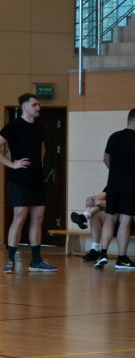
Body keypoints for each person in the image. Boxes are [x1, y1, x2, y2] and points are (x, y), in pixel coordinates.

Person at [0, 93, 57, 273]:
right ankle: (10, 261)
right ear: (24, 107)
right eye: (34, 105)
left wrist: (40, 162)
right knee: (19, 217)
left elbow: (42, 146)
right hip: (19, 180)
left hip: (37, 179)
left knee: (38, 218)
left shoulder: (39, 126)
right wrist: (11, 164)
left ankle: (36, 261)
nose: (38, 108)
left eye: (38, 104)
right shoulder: (13, 126)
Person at [94, 108, 135, 271]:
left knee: (110, 218)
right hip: (131, 185)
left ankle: (102, 253)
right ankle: (122, 259)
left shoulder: (114, 136)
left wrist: (116, 172)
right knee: (125, 221)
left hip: (113, 184)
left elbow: (106, 158)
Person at [70, 190, 107, 261]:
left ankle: (84, 216)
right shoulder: (112, 185)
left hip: (122, 219)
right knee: (94, 214)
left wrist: (100, 202)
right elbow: (103, 195)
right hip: (110, 216)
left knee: (100, 205)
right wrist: (90, 199)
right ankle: (95, 249)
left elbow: (118, 205)